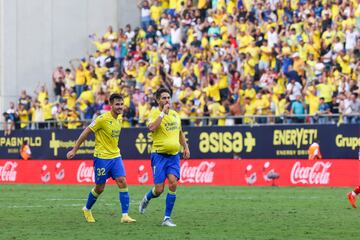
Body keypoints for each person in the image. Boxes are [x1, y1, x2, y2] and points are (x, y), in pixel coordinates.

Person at [66, 93, 136, 223]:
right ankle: (87, 209)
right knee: (100, 188)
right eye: (117, 104)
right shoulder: (102, 119)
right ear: (111, 105)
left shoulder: (120, 119)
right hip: (101, 158)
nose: (120, 107)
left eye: (122, 104)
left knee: (122, 181)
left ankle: (125, 215)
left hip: (115, 156)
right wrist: (75, 149)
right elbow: (86, 132)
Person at [138, 88, 190, 227]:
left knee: (173, 183)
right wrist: (162, 113)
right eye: (164, 98)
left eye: (168, 98)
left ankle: (166, 218)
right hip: (159, 155)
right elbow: (152, 128)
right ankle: (146, 198)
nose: (167, 100)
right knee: (159, 190)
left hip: (173, 156)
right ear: (157, 100)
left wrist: (185, 147)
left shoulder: (175, 114)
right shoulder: (154, 113)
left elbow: (180, 133)